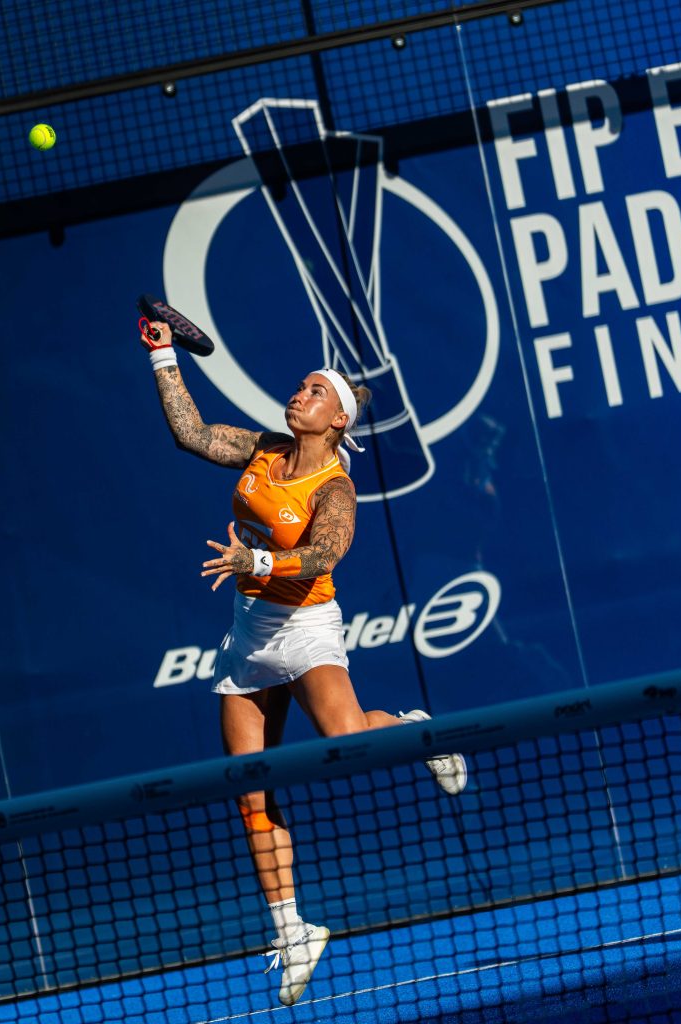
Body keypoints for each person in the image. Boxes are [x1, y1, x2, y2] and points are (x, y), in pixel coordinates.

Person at [141, 321, 467, 1007]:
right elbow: (191, 434)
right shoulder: (262, 448)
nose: (299, 395)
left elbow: (324, 554)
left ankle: (416, 731)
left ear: (337, 419)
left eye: (315, 392)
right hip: (249, 635)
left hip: (307, 627)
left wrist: (255, 559)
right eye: (299, 387)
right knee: (249, 789)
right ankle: (293, 931)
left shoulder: (335, 487)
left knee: (343, 739)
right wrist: (163, 354)